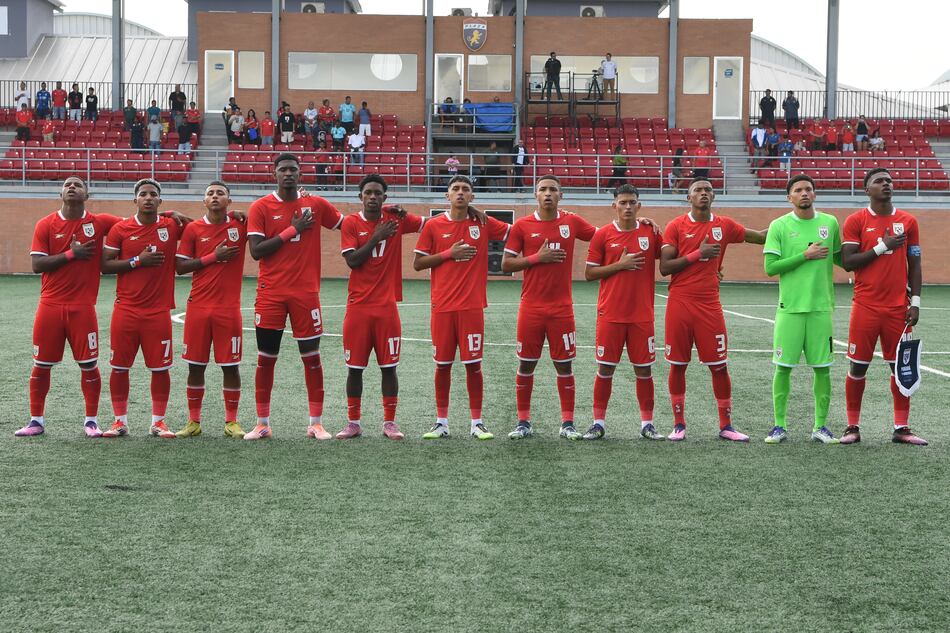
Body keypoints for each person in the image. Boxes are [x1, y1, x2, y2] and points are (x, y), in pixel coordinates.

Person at [658, 177, 768, 442]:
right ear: (689, 197)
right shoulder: (675, 226)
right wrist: (699, 253)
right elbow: (664, 267)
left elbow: (761, 237)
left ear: (714, 196)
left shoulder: (725, 225)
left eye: (708, 189)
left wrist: (793, 222)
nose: (703, 193)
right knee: (678, 365)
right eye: (697, 190)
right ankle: (679, 424)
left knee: (719, 366)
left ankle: (726, 425)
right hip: (680, 303)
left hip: (709, 305)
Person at [244, 153, 344, 441]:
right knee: (266, 359)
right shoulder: (261, 206)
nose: (288, 174)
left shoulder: (316, 204)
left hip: (306, 294)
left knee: (312, 358)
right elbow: (257, 250)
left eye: (293, 170)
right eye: (283, 170)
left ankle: (316, 423)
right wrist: (294, 230)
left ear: (301, 174)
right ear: (274, 174)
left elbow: (348, 225)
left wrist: (385, 215)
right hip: (271, 293)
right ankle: (262, 423)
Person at [16, 177, 120, 437]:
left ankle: (91, 421)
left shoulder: (100, 222)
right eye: (68, 184)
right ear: (61, 193)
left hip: (83, 308)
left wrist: (168, 213)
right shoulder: (46, 224)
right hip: (50, 306)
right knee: (41, 365)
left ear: (87, 194)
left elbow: (135, 225)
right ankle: (36, 421)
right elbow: (37, 265)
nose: (72, 187)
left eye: (78, 184)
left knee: (89, 364)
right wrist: (72, 254)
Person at [413, 175, 509, 440]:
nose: (460, 193)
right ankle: (441, 422)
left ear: (472, 197)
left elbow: (517, 231)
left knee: (473, 365)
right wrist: (448, 254)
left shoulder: (483, 222)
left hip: (471, 308)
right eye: (455, 189)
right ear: (447, 195)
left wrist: (557, 214)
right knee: (442, 365)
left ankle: (476, 423)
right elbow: (418, 264)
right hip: (442, 308)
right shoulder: (434, 226)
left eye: (466, 190)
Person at [502, 174, 597, 439]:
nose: (547, 193)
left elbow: (604, 236)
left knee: (564, 366)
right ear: (535, 195)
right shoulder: (522, 226)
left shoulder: (571, 221)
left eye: (552, 189)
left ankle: (567, 423)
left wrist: (638, 222)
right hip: (531, 308)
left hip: (562, 309)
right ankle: (523, 422)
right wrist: (537, 258)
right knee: (526, 365)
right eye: (542, 189)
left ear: (560, 195)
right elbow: (506, 265)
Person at [840, 168, 926, 445]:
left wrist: (915, 302)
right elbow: (849, 262)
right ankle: (852, 426)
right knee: (857, 368)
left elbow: (915, 264)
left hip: (898, 309)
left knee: (900, 369)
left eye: (889, 180)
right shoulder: (856, 220)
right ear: (867, 190)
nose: (886, 184)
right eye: (879, 181)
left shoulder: (908, 221)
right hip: (865, 307)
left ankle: (901, 428)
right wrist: (881, 246)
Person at [337, 175, 426, 441]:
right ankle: (353, 423)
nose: (373, 197)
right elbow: (353, 261)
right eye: (368, 193)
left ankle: (390, 422)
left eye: (378, 193)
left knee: (389, 367)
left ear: (385, 198)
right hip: (358, 307)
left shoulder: (396, 219)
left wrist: (469, 209)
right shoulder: (351, 223)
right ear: (360, 197)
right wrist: (376, 237)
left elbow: (431, 224)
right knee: (355, 368)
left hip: (387, 307)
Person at [762, 174, 842, 444]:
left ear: (815, 194)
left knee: (823, 369)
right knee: (783, 367)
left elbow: (843, 257)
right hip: (790, 310)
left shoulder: (829, 223)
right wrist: (803, 256)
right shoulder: (779, 226)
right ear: (790, 197)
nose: (804, 193)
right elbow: (771, 268)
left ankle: (820, 426)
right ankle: (779, 426)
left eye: (808, 189)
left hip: (821, 309)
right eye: (798, 190)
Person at [100, 179, 182, 439]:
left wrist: (175, 214)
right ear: (134, 200)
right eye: (143, 194)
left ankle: (158, 422)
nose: (148, 198)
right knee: (120, 367)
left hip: (158, 312)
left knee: (160, 369)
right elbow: (105, 265)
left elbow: (205, 225)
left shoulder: (170, 225)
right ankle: (119, 421)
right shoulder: (120, 229)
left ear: (160, 201)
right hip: (126, 310)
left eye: (153, 194)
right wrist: (138, 261)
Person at [582, 184, 663, 440]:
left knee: (644, 371)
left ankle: (647, 424)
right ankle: (598, 423)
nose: (627, 207)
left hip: (642, 316)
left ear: (639, 206)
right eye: (623, 202)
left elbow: (670, 259)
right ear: (614, 205)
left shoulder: (651, 232)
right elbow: (589, 274)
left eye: (632, 202)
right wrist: (620, 265)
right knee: (605, 369)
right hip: (611, 315)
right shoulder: (603, 235)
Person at [174, 181, 247, 439]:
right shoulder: (194, 229)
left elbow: (264, 224)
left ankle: (231, 421)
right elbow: (180, 267)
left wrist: (245, 215)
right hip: (198, 309)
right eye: (210, 193)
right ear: (204, 201)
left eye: (220, 193)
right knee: (196, 366)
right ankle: (194, 421)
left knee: (231, 366)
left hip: (228, 310)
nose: (215, 196)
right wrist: (214, 257)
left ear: (229, 199)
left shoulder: (241, 225)